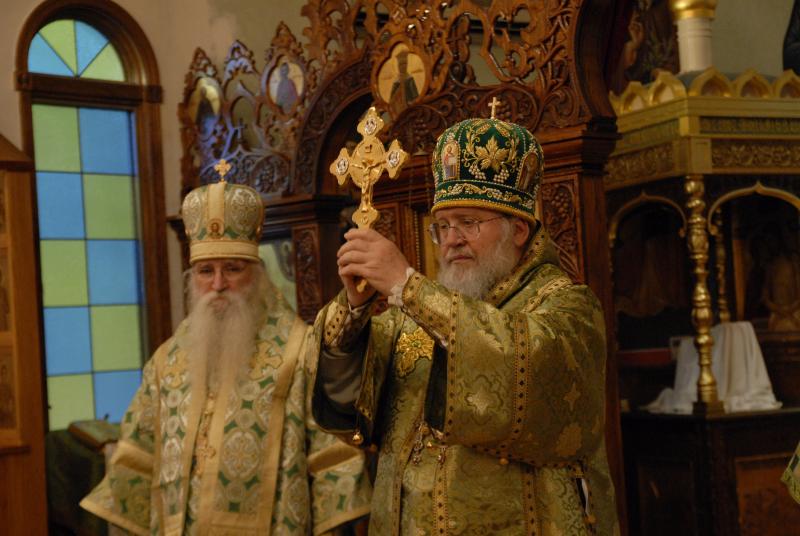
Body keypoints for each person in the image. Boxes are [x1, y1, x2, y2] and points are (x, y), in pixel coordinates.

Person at [308, 114, 619, 534]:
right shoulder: (415, 312)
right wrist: (355, 307)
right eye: (442, 226)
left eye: (469, 223)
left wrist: (406, 285)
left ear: (519, 230)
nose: (452, 239)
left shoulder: (566, 306)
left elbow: (526, 372)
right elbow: (352, 410)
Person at [81, 180, 371, 534]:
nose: (218, 284)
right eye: (206, 271)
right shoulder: (167, 361)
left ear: (257, 275)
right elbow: (137, 456)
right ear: (193, 278)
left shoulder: (299, 352)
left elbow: (333, 462)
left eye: (232, 269)